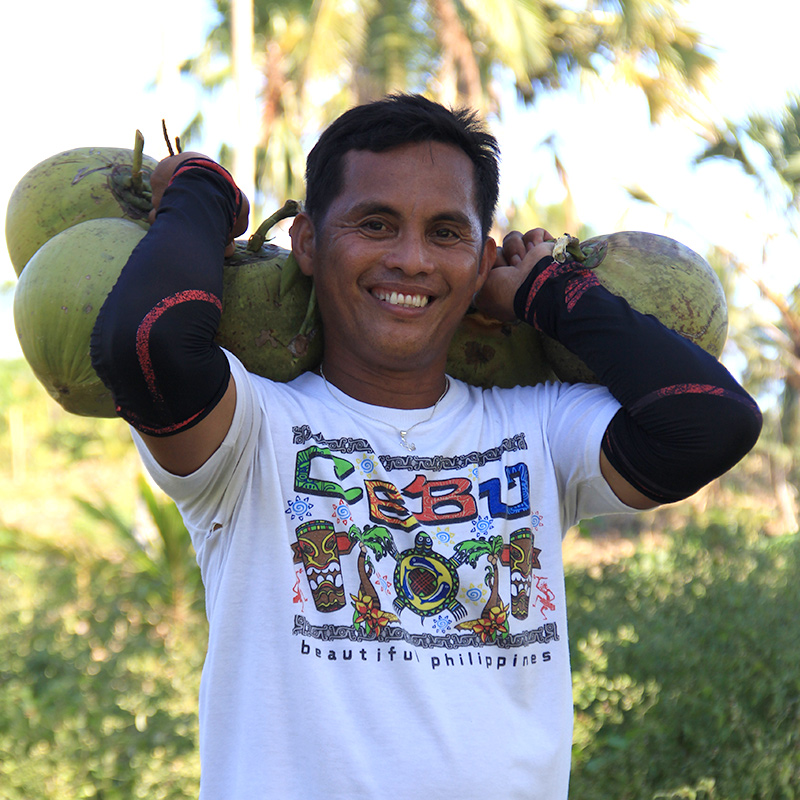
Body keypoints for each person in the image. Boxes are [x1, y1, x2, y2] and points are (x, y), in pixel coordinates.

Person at [90, 93, 762, 799]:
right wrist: (203, 192)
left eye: (446, 233)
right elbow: (148, 340)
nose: (411, 260)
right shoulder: (252, 433)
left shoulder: (534, 429)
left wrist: (549, 290)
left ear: (480, 263)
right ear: (309, 242)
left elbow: (713, 422)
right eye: (375, 224)